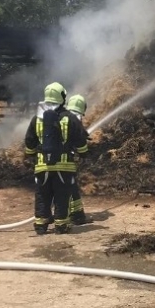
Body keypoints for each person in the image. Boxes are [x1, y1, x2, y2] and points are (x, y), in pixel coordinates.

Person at [24, 82, 88, 235]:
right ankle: (61, 225)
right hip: (64, 168)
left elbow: (29, 142)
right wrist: (83, 153)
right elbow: (80, 140)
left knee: (42, 195)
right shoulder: (70, 118)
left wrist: (33, 156)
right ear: (62, 97)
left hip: (42, 167)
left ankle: (40, 224)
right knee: (61, 197)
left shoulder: (37, 119)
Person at [66, 93, 89, 225]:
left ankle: (57, 214)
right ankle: (77, 216)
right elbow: (79, 140)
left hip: (49, 159)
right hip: (66, 160)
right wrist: (83, 153)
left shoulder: (62, 116)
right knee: (71, 186)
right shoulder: (76, 118)